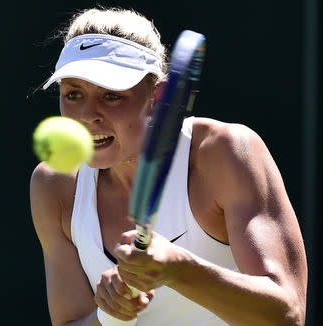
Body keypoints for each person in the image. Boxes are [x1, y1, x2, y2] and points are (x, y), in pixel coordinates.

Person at [30, 7, 308, 326]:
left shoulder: (224, 152)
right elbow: (71, 320)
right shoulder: (55, 186)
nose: (87, 115)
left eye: (111, 95)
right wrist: (110, 315)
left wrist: (179, 269)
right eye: (73, 93)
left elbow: (288, 315)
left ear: (157, 94)